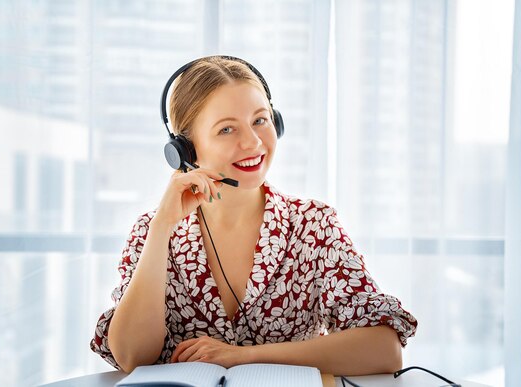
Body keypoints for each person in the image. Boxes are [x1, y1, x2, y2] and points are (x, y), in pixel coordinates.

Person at [90, 55, 417, 376]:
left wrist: (242, 357)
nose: (253, 141)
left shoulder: (313, 225)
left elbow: (384, 350)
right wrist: (162, 227)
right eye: (227, 129)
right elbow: (132, 356)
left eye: (260, 120)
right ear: (185, 150)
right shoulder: (153, 230)